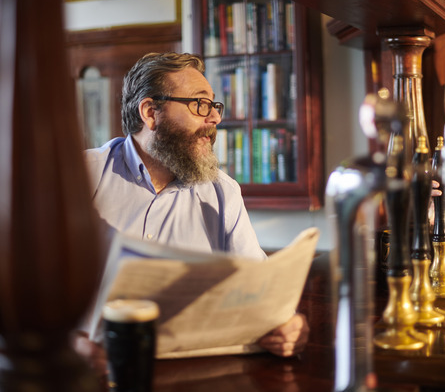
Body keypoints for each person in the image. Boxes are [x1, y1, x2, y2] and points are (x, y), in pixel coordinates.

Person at [75, 52, 309, 366]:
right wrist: (70, 346)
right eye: (200, 104)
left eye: (214, 106)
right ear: (150, 112)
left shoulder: (223, 192)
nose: (214, 119)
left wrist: (288, 327)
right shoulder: (79, 177)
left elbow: (261, 295)